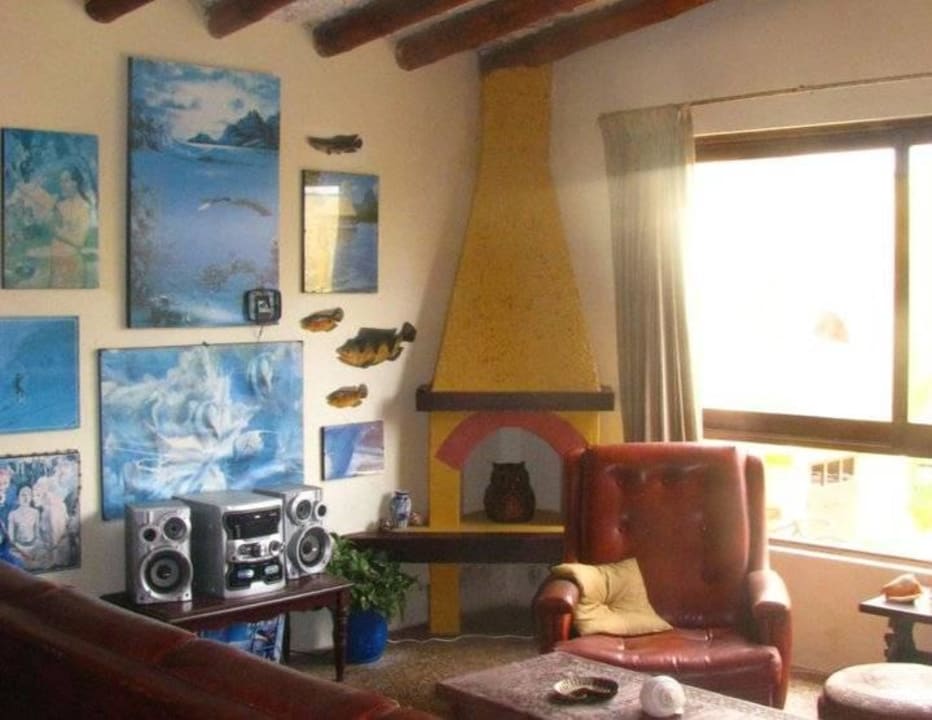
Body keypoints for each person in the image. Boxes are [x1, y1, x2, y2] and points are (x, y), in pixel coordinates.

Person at [49, 165, 93, 287]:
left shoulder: (84, 207)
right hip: (56, 262)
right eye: (61, 181)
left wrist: (59, 233)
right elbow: (53, 226)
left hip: (72, 262)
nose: (62, 185)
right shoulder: (60, 205)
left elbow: (79, 241)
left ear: (76, 183)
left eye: (66, 181)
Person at [8, 484, 42, 569]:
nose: (26, 497)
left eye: (28, 494)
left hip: (34, 548)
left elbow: (38, 535)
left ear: (31, 497)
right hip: (18, 549)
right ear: (18, 497)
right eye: (23, 494)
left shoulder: (35, 513)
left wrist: (35, 548)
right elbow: (11, 539)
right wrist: (21, 551)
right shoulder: (13, 514)